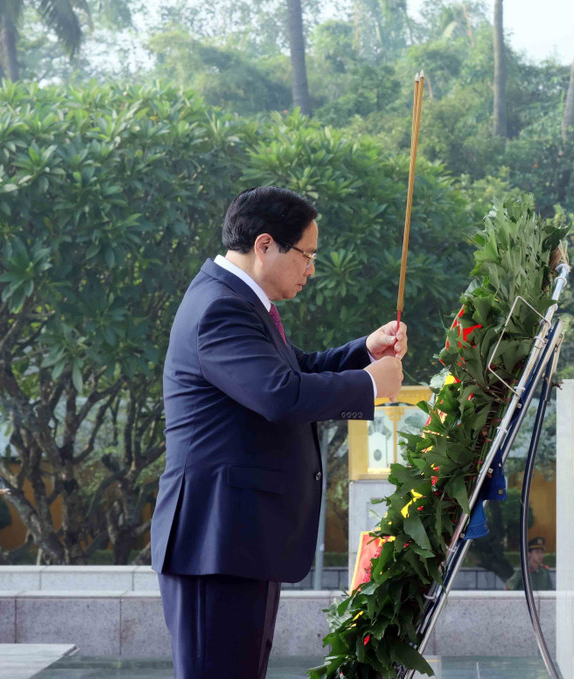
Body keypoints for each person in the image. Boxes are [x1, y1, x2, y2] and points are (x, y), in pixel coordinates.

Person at [150, 186, 406, 679]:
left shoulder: (239, 301)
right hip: (216, 541)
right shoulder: (219, 309)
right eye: (307, 254)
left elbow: (294, 370)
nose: (311, 268)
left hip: (237, 539)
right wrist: (371, 385)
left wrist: (365, 352)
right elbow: (279, 395)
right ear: (265, 245)